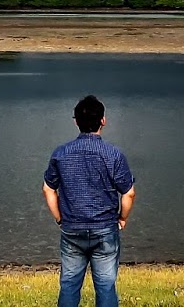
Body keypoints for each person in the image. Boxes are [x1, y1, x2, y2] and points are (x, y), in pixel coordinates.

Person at [42, 95, 136, 307]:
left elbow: (48, 189)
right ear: (103, 121)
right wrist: (122, 218)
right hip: (105, 228)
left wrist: (59, 218)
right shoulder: (113, 154)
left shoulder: (61, 153)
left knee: (69, 284)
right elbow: (129, 193)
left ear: (76, 122)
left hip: (72, 229)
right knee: (105, 285)